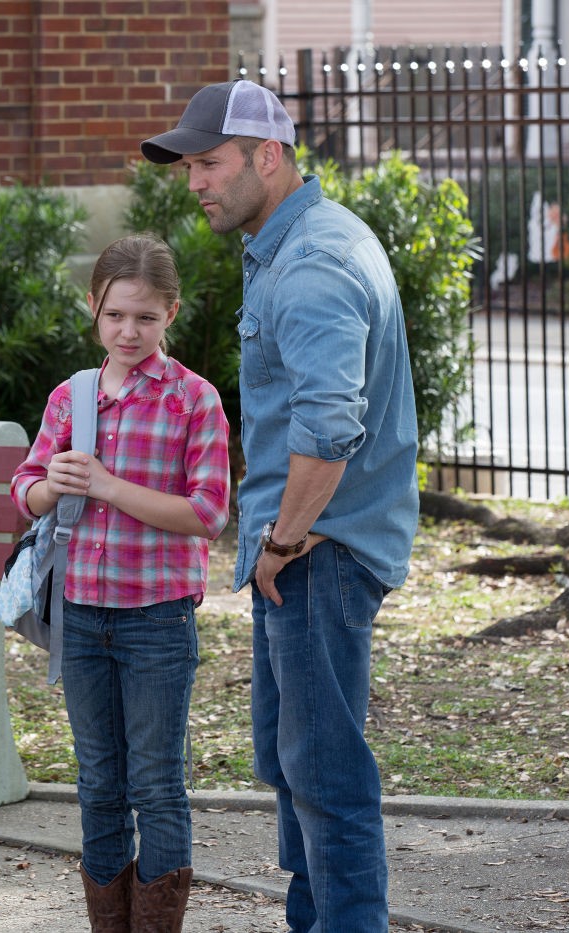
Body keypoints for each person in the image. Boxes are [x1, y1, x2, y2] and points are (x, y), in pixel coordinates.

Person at [141, 80, 420, 932]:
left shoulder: (311, 265)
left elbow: (330, 430)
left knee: (324, 773)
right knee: (293, 763)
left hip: (317, 552)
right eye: (189, 166)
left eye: (210, 164)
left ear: (270, 156)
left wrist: (283, 543)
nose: (196, 183)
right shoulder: (293, 244)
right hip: (308, 549)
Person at [10, 234, 231, 933]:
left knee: (157, 786)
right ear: (93, 309)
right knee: (99, 785)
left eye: (145, 317)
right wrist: (50, 487)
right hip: (80, 618)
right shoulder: (71, 396)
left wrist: (107, 484)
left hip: (157, 619)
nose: (129, 331)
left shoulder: (194, 400)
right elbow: (24, 488)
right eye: (115, 317)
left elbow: (206, 512)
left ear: (171, 312)